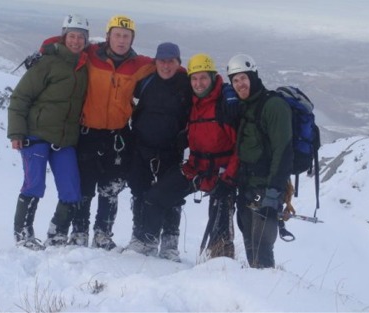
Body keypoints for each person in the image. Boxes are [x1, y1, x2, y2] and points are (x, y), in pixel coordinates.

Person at [133, 53, 239, 259]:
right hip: (196, 169)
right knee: (155, 197)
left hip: (221, 175)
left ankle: (222, 265)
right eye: (194, 78)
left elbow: (239, 148)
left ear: (212, 77)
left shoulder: (225, 105)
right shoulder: (193, 102)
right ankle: (148, 243)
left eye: (203, 78)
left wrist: (229, 178)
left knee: (220, 228)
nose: (198, 83)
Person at [65, 15, 156, 249]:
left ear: (132, 39)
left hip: (118, 136)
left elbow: (168, 65)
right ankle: (79, 232)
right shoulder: (91, 54)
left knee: (111, 188)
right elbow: (63, 43)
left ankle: (103, 233)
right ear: (108, 36)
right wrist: (44, 49)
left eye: (127, 36)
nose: (122, 40)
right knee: (85, 186)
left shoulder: (140, 64)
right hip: (88, 133)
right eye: (117, 34)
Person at [7, 14, 89, 250]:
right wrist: (16, 133)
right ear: (64, 36)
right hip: (36, 136)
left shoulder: (84, 66)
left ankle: (57, 233)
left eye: (80, 37)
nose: (75, 41)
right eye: (71, 36)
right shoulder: (47, 62)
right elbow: (20, 96)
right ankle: (23, 235)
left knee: (72, 189)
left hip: (64, 140)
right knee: (34, 186)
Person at [125, 42, 192, 261]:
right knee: (139, 192)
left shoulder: (186, 84)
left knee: (171, 196)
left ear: (178, 63)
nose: (166, 66)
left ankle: (170, 244)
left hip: (172, 150)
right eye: (162, 61)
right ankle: (141, 237)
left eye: (171, 61)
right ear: (155, 62)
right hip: (141, 146)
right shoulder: (145, 81)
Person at [226, 53, 293, 268]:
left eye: (243, 78)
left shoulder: (273, 106)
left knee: (262, 249)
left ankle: (267, 293)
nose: (239, 84)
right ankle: (255, 290)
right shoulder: (245, 105)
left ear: (254, 76)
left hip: (266, 191)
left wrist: (274, 194)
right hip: (246, 188)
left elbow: (283, 152)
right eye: (235, 80)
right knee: (250, 245)